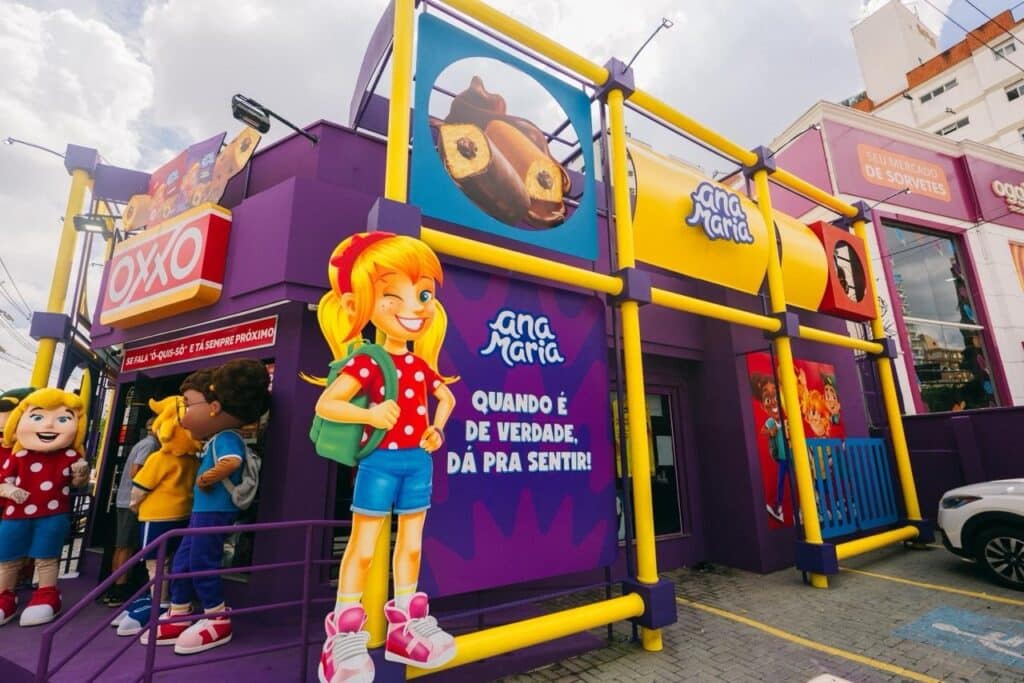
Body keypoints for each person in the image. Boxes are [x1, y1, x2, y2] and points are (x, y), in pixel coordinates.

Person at [311, 232, 458, 682]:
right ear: (362, 303)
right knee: (364, 546)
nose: (414, 307)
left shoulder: (419, 365)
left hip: (418, 461)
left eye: (424, 295)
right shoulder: (368, 361)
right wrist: (373, 414)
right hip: (379, 463)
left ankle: (404, 625)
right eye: (392, 296)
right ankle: (343, 636)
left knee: (411, 545)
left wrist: (437, 428)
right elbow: (326, 404)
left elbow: (446, 397)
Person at [147, 359, 270, 655]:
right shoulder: (214, 438)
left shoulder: (226, 437)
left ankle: (216, 615)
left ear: (213, 407)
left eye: (188, 404)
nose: (183, 413)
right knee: (183, 560)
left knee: (203, 560)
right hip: (202, 511)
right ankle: (179, 611)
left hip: (216, 511)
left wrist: (206, 478)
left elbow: (232, 462)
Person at [0, 387, 90, 626]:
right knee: (8, 559)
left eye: (62, 419)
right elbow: (3, 482)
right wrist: (10, 490)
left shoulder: (70, 455)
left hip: (52, 513)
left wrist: (81, 473)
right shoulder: (18, 456)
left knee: (47, 558)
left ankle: (47, 594)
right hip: (15, 515)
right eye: (38, 417)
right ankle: (4, 598)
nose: (49, 426)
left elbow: (77, 483)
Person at [113, 396, 200, 636]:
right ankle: (171, 598)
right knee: (173, 559)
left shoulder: (159, 458)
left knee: (155, 563)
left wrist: (133, 505)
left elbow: (140, 487)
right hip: (183, 514)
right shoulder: (193, 460)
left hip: (156, 516)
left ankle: (158, 600)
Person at [102, 417, 158, 607]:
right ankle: (119, 587)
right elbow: (137, 471)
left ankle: (115, 584)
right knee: (126, 545)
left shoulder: (144, 443)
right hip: (132, 501)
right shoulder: (150, 444)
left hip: (125, 499)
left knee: (122, 545)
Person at [751, 373, 788, 524]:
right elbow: (762, 431)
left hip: (793, 456)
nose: (773, 402)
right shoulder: (771, 421)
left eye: (776, 396)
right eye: (768, 399)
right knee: (781, 482)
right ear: (762, 405)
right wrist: (771, 431)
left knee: (798, 482)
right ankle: (779, 507)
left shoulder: (788, 417)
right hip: (783, 458)